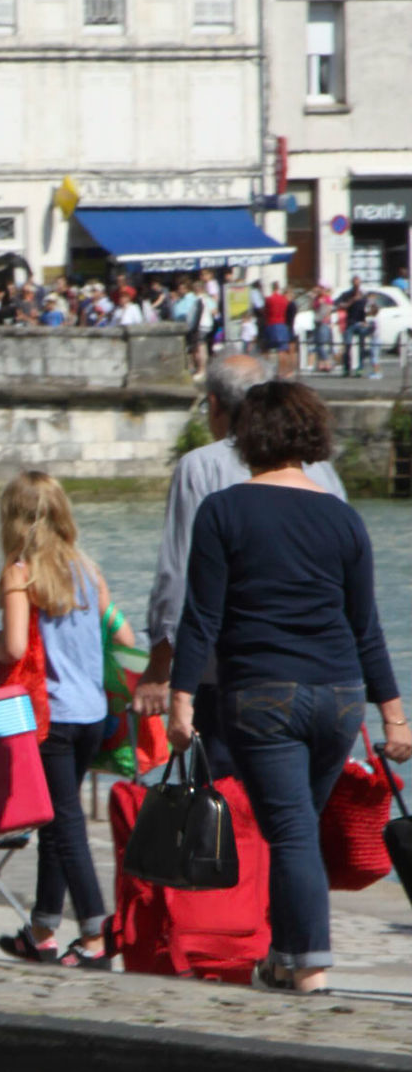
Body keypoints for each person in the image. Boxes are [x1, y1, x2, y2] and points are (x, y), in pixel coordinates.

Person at [169, 381, 410, 995]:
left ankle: (311, 968)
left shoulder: (223, 510)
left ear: (247, 439)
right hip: (338, 698)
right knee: (295, 824)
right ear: (312, 438)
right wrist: (394, 715)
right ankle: (283, 953)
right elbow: (366, 625)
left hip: (262, 696)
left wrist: (180, 700)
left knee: (292, 829)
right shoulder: (342, 516)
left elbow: (201, 618)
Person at [134, 355, 344, 771]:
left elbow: (178, 577)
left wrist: (161, 668)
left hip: (230, 677)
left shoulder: (200, 467)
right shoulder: (323, 474)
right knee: (294, 821)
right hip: (324, 677)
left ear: (214, 404)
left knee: (230, 814)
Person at [0, 471, 130, 968]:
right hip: (92, 712)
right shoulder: (87, 571)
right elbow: (123, 632)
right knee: (57, 820)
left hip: (50, 715)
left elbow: (11, 647)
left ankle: (96, 935)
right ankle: (43, 931)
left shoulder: (20, 573)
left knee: (65, 824)